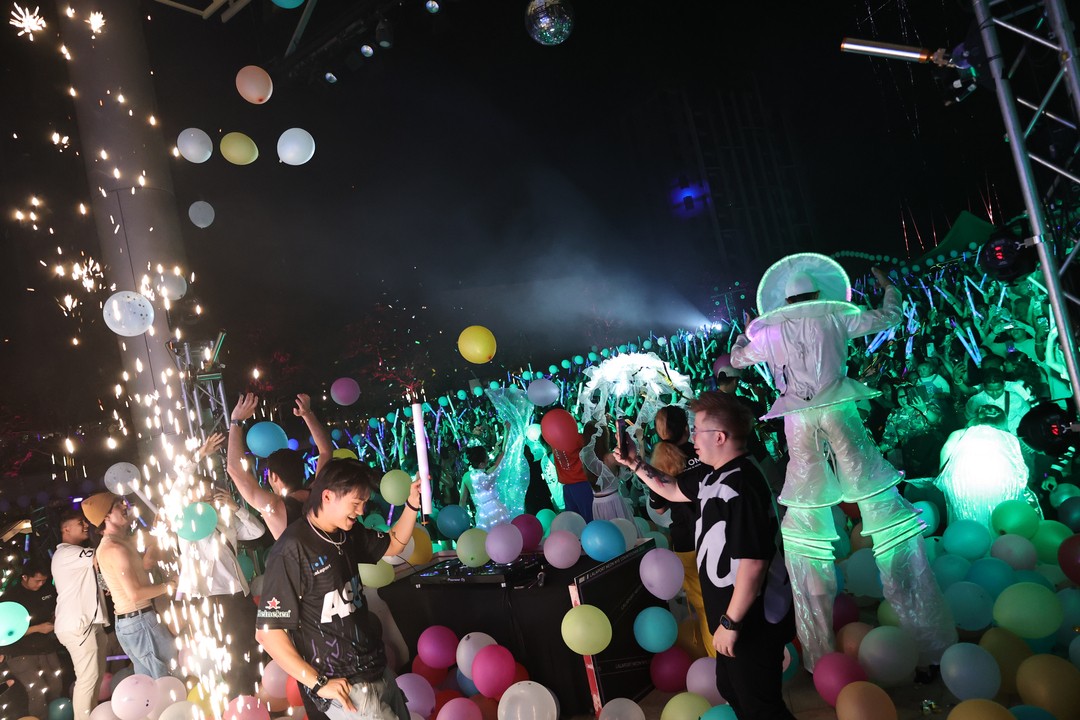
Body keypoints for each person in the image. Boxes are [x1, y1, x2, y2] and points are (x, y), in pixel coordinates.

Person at [729, 253, 954, 671]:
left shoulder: (771, 331)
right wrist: (889, 287)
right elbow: (889, 317)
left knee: (805, 526)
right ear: (818, 292)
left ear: (785, 300)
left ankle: (819, 658)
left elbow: (738, 360)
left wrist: (745, 334)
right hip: (838, 410)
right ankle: (932, 645)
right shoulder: (834, 317)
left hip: (798, 419)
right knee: (883, 509)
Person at [614, 392, 795, 720]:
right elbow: (671, 489)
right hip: (732, 618)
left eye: (699, 431)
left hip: (751, 621)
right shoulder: (714, 474)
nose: (693, 438)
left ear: (720, 437)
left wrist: (730, 622)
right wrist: (635, 463)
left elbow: (754, 564)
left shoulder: (741, 483)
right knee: (732, 689)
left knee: (761, 707)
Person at [255, 459, 421, 720]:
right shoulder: (291, 550)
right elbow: (267, 633)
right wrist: (318, 683)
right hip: (348, 689)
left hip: (379, 671)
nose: (361, 511)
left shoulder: (347, 532)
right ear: (327, 496)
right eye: (355, 503)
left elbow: (393, 544)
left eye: (364, 503)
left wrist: (412, 504)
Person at [176, 485, 266, 697]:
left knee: (254, 643)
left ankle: (256, 695)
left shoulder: (224, 520)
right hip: (212, 598)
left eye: (210, 497)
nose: (206, 502)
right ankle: (238, 699)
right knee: (231, 654)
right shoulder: (187, 527)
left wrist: (236, 508)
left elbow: (258, 531)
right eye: (200, 498)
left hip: (239, 593)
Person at [81, 493, 178, 679]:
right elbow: (135, 594)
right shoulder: (115, 549)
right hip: (139, 621)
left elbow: (152, 539)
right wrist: (171, 584)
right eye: (118, 505)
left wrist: (162, 527)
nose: (125, 506)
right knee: (168, 677)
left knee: (153, 681)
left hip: (133, 622)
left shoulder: (120, 542)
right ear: (106, 517)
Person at [648, 405, 714, 658]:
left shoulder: (660, 463)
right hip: (715, 535)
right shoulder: (704, 452)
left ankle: (717, 662)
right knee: (725, 600)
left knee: (703, 606)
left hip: (686, 541)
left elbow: (659, 507)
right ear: (687, 428)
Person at [227, 393, 334, 539]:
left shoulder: (275, 508)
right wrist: (307, 413)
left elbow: (235, 469)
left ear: (274, 476)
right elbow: (326, 451)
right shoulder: (319, 492)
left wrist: (236, 421)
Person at [51, 509, 109, 720]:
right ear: (66, 529)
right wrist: (107, 530)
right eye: (80, 523)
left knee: (95, 677)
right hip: (78, 624)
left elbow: (96, 568)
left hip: (90, 622)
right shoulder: (65, 553)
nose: (86, 526)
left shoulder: (78, 554)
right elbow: (101, 554)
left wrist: (106, 586)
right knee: (88, 679)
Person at [0, 562, 62, 719]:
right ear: (25, 577)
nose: (41, 584)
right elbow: (6, 631)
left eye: (44, 580)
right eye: (37, 581)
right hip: (19, 651)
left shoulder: (47, 589)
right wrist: (37, 628)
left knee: (56, 684)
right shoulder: (10, 597)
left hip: (46, 645)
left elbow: (54, 608)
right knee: (37, 689)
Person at [964, 368, 1031, 434]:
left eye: (999, 389)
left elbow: (1028, 418)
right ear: (983, 386)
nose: (995, 394)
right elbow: (969, 421)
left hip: (1013, 435)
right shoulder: (975, 401)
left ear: (1004, 384)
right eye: (990, 390)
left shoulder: (1016, 399)